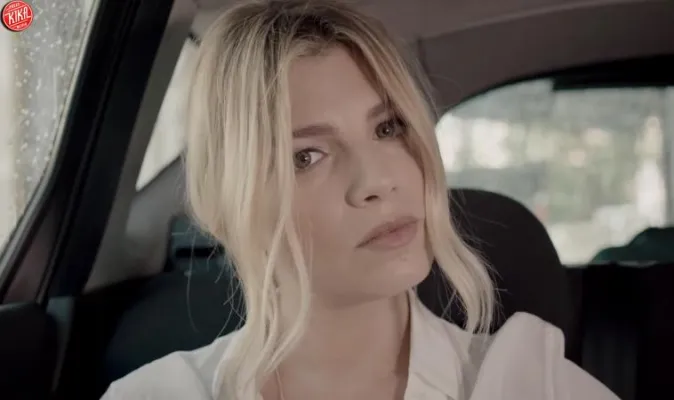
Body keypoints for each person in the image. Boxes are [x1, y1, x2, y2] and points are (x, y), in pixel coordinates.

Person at [102, 0, 619, 399]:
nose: (376, 180)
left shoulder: (535, 386)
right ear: (231, 204)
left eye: (388, 128)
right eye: (307, 156)